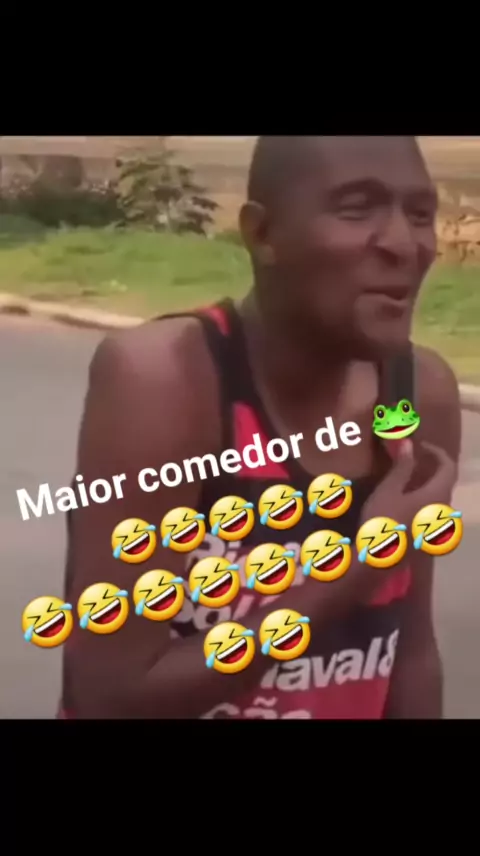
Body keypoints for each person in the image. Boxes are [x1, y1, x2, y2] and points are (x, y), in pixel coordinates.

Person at [61, 136, 460, 719]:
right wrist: (361, 565)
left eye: (420, 214)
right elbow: (110, 695)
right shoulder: (172, 381)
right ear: (262, 233)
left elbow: (411, 651)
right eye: (357, 209)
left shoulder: (415, 395)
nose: (404, 243)